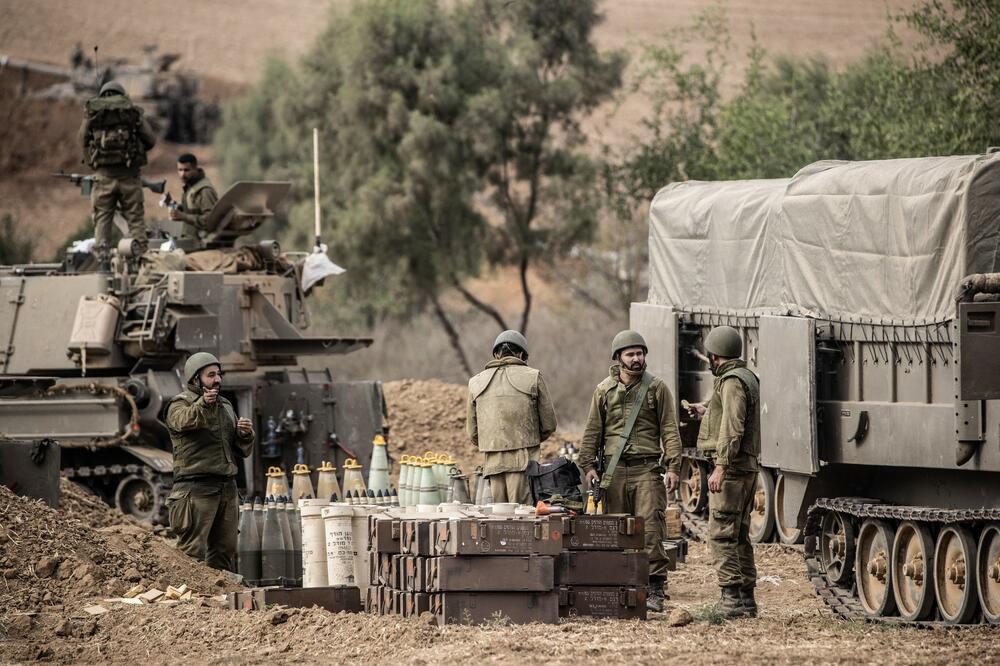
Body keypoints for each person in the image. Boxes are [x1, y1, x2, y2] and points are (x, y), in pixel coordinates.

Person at [579, 329, 682, 613]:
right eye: (631, 354)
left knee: (651, 528)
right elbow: (592, 431)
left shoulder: (657, 388)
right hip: (612, 472)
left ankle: (655, 587)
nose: (637, 359)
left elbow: (669, 429)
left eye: (640, 353)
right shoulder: (603, 391)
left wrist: (674, 465)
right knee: (615, 531)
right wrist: (587, 465)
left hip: (647, 469)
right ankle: (621, 586)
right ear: (618, 358)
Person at [685, 325, 760, 618]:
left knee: (721, 535)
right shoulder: (745, 377)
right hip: (745, 468)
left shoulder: (731, 382)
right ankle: (745, 600)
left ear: (714, 356)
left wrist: (720, 467)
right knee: (739, 535)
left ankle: (731, 600)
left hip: (733, 470)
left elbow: (733, 427)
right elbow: (729, 415)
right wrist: (705, 411)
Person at [165, 352, 254, 572]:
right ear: (195, 379)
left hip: (226, 488)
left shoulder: (225, 406)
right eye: (210, 375)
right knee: (191, 552)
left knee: (225, 550)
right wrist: (203, 405)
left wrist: (244, 434)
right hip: (196, 490)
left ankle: (218, 600)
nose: (217, 380)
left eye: (219, 374)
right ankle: (188, 600)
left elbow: (237, 450)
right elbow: (183, 422)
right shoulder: (179, 404)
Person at [467, 330, 557, 504]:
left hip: (492, 465)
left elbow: (472, 433)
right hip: (525, 462)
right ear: (521, 354)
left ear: (496, 354)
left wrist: (493, 444)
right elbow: (549, 424)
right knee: (522, 521)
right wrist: (530, 439)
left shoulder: (475, 382)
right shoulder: (533, 376)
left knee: (499, 520)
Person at [77, 81, 156, 269]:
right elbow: (151, 140)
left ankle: (103, 265)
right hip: (129, 177)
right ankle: (141, 262)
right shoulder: (131, 112)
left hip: (103, 178)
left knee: (102, 221)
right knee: (135, 220)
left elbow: (82, 140)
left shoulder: (94, 112)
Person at [171, 153, 218, 241]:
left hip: (201, 243)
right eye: (180, 170)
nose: (182, 175)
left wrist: (184, 217)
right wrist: (180, 208)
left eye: (186, 170)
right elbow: (196, 207)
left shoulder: (205, 191)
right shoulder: (191, 186)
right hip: (189, 239)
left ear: (195, 169)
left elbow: (210, 220)